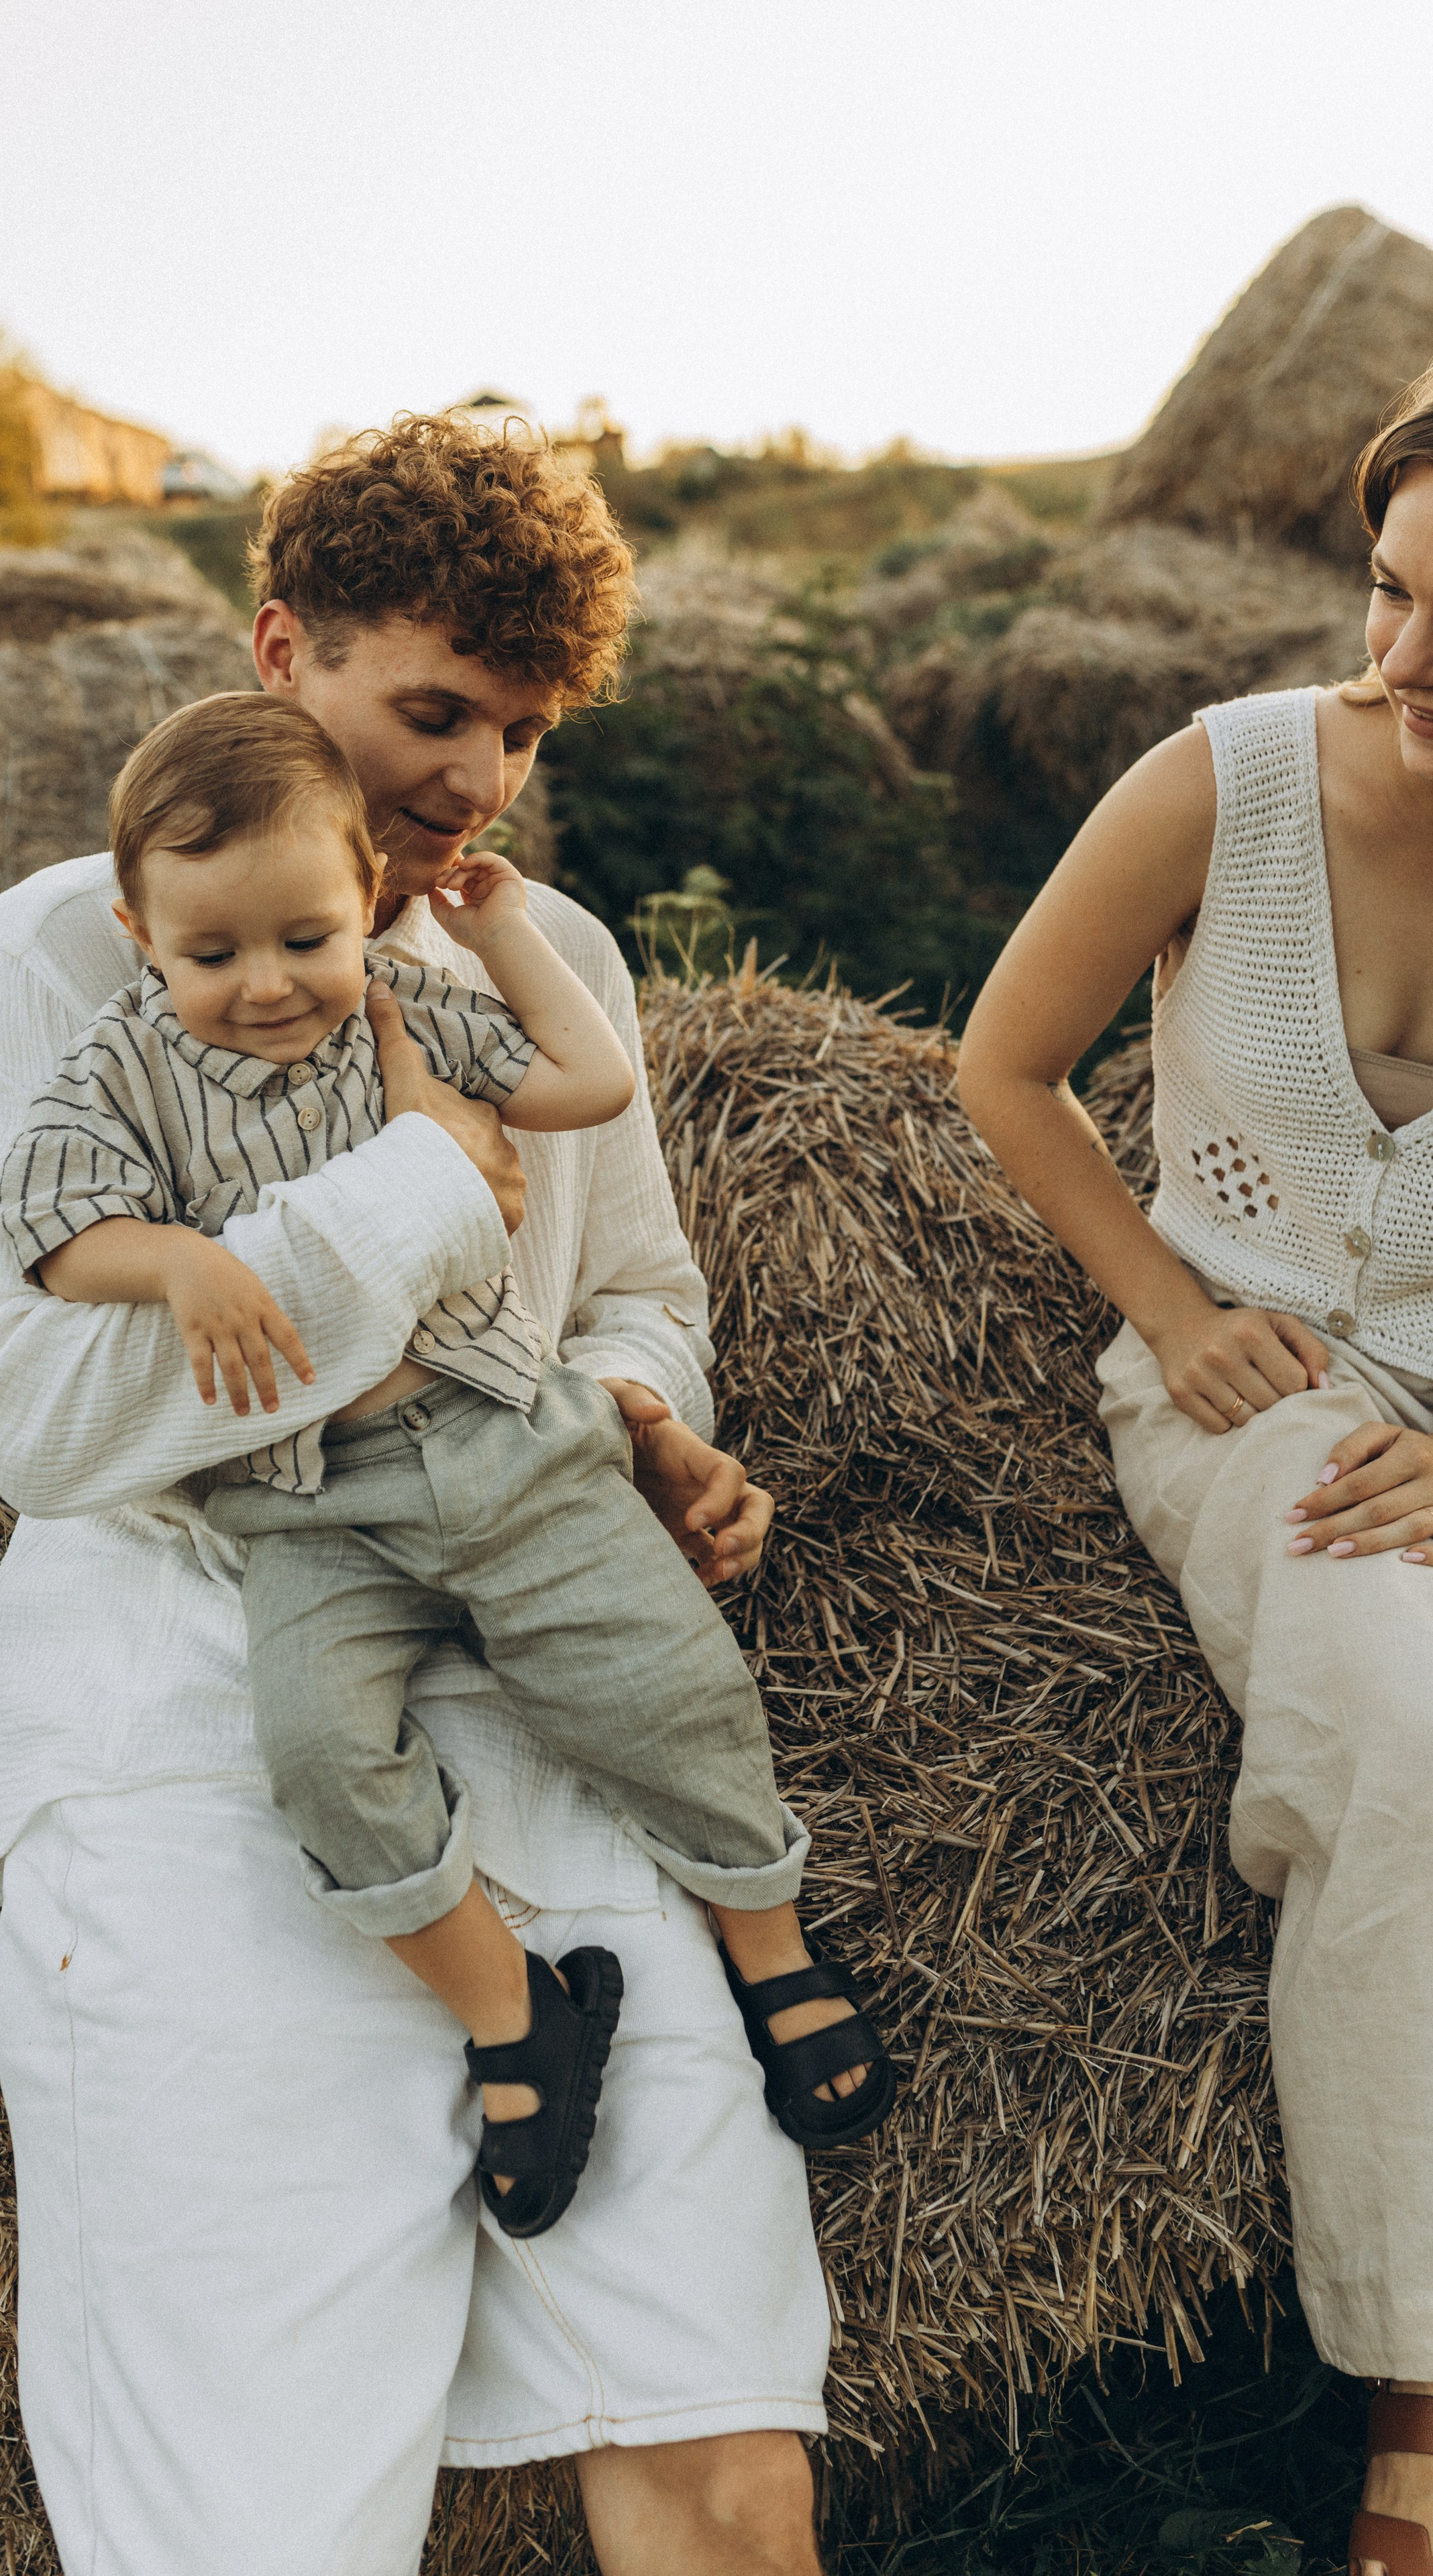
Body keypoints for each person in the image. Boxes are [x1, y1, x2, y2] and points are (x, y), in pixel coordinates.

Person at [0, 415, 865, 2573]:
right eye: (433, 708)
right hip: (211, 1732)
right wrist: (395, 1201)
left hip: (548, 1706)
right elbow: (40, 1412)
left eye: (522, 730)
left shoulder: (551, 959)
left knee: (730, 2474)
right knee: (249, 2531)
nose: (477, 776)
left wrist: (643, 1420)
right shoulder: (67, 952)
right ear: (285, 650)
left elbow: (636, 1285)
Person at [0, 689, 889, 2243]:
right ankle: (510, 2015)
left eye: (303, 939)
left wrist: (510, 929)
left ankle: (771, 1948)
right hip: (307, 1504)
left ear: (360, 906)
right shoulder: (119, 1068)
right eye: (212, 955)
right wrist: (174, 1267)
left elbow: (588, 1086)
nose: (265, 986)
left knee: (665, 1688)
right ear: (141, 932)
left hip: (499, 1438)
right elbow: (54, 1228)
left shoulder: (417, 1016)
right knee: (320, 1759)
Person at [957, 370, 1433, 2576]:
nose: (1401, 664)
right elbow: (1009, 1062)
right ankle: (1413, 2418)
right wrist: (1165, 1306)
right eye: (1388, 594)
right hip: (1250, 1383)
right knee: (1397, 1733)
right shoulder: (1226, 782)